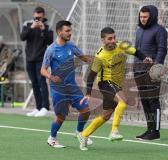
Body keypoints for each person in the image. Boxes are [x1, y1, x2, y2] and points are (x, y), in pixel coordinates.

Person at [78, 27, 152, 151]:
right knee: (123, 102)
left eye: (114, 38)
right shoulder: (100, 56)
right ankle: (114, 131)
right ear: (103, 40)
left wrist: (144, 58)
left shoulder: (122, 46)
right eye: (109, 38)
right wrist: (88, 93)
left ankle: (83, 135)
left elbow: (135, 51)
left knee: (106, 115)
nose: (113, 41)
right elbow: (91, 75)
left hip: (116, 84)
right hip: (105, 83)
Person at [41, 20, 92, 148]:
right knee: (60, 117)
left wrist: (97, 60)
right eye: (67, 31)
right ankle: (52, 138)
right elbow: (42, 69)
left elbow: (84, 58)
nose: (70, 33)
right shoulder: (51, 50)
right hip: (58, 89)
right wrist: (51, 77)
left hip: (72, 87)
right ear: (59, 32)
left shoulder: (71, 46)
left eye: (70, 30)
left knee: (86, 110)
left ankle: (79, 132)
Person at [133, 5, 168, 140]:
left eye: (145, 17)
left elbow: (162, 49)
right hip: (139, 70)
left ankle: (156, 131)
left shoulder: (160, 30)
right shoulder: (139, 30)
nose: (142, 19)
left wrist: (157, 67)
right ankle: (149, 129)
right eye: (141, 16)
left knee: (153, 100)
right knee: (145, 100)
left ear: (152, 16)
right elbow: (136, 50)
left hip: (152, 72)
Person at [20, 6, 53, 117]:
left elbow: (50, 41)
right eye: (36, 16)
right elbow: (22, 37)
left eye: (40, 16)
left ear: (43, 16)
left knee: (41, 82)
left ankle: (45, 107)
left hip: (41, 59)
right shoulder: (27, 24)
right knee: (34, 83)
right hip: (30, 59)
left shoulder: (47, 26)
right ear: (33, 15)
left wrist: (43, 29)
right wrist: (32, 28)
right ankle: (38, 107)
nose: (38, 19)